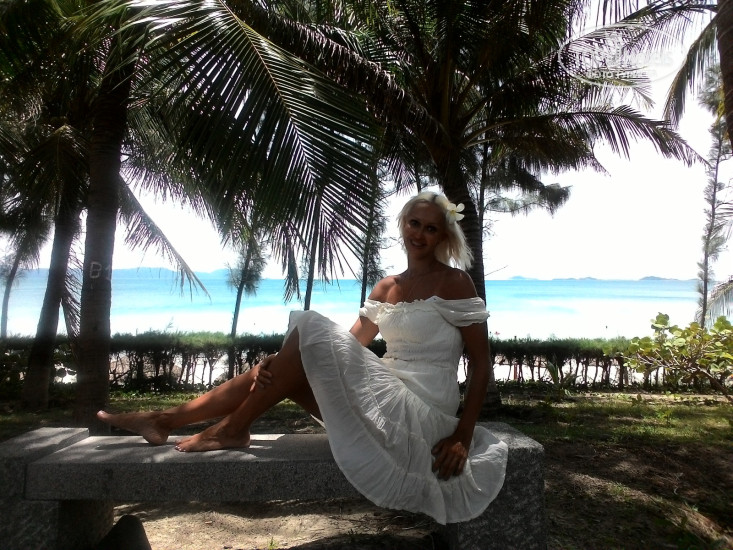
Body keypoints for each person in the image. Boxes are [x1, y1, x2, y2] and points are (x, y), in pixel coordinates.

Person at [97, 191, 507, 525]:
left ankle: (227, 427)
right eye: (414, 223)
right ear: (403, 224)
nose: (419, 234)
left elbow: (481, 364)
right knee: (278, 365)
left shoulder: (455, 282)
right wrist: (286, 359)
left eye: (431, 228)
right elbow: (351, 346)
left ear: (442, 237)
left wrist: (462, 436)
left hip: (423, 412)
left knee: (306, 329)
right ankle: (165, 421)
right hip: (383, 400)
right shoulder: (387, 287)